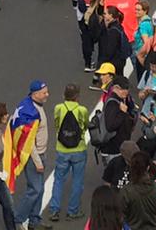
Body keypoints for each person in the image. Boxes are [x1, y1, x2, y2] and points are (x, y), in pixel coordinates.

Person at [48, 83, 90, 222]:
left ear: (63, 95)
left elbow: (56, 124)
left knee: (59, 179)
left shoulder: (58, 108)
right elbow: (84, 126)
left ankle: (54, 210)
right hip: (78, 149)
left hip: (62, 149)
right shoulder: (82, 109)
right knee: (77, 181)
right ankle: (73, 210)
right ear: (77, 97)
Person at [12, 81, 50, 227]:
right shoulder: (31, 113)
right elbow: (28, 143)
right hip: (35, 157)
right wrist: (38, 162)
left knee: (39, 189)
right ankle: (18, 219)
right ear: (35, 94)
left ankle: (34, 220)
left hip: (41, 153)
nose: (47, 94)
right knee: (35, 189)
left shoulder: (33, 106)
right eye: (44, 92)